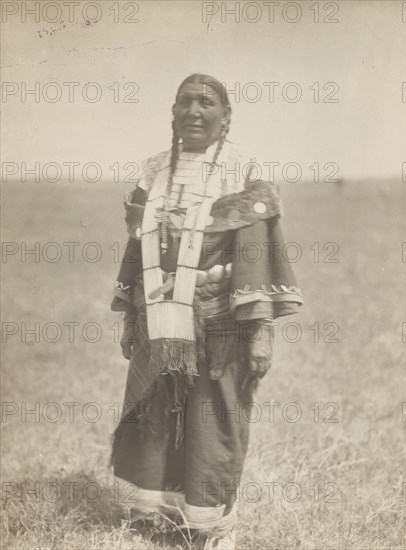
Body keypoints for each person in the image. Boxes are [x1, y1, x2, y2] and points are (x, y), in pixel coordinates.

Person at [110, 73, 302, 549]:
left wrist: (260, 329)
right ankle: (151, 515)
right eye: (184, 103)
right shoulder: (153, 171)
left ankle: (207, 527)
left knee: (213, 418)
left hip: (219, 322)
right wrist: (131, 316)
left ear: (226, 116)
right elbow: (137, 249)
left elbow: (256, 252)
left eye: (206, 102)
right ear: (172, 114)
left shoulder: (243, 169)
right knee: (151, 413)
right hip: (157, 318)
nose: (194, 111)